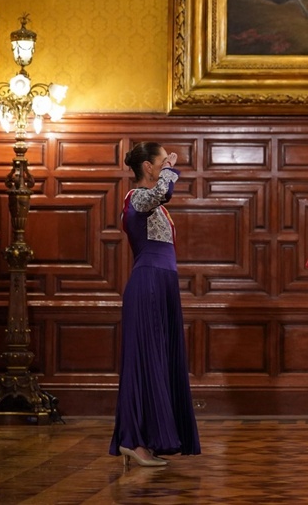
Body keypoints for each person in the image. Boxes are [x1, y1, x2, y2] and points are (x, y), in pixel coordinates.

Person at [109, 143, 200, 468]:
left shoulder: (155, 206)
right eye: (162, 161)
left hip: (162, 286)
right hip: (147, 285)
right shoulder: (136, 198)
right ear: (148, 167)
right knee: (144, 361)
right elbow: (163, 192)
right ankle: (133, 441)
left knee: (160, 361)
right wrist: (170, 172)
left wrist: (168, 169)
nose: (169, 164)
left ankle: (150, 438)